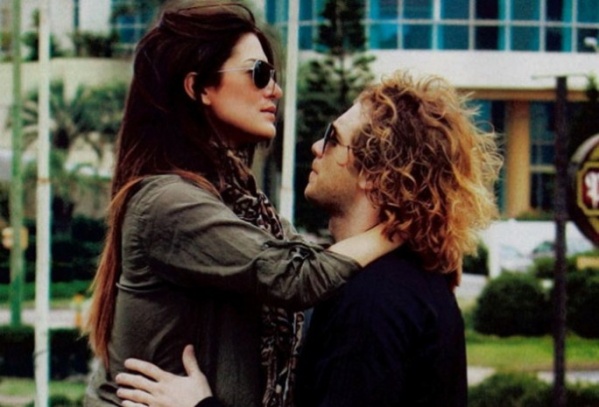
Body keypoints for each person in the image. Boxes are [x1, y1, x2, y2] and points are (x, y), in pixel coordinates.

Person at [113, 70, 502, 407]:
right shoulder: (409, 284)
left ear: (375, 174)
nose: (317, 146)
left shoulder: (371, 302)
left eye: (333, 137)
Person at [83, 2, 398, 407]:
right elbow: (297, 275)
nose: (275, 90)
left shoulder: (241, 204)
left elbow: (303, 258)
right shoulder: (167, 202)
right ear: (199, 87)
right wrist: (404, 225)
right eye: (259, 74)